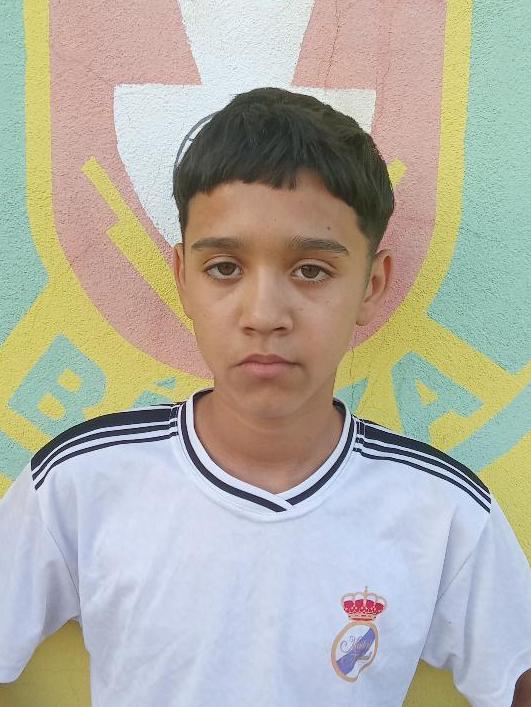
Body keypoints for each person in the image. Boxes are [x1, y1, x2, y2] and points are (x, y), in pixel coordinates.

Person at [1, 87, 530, 706]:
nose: (264, 314)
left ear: (371, 284)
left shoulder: (440, 510)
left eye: (312, 270)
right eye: (225, 268)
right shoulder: (80, 480)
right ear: (183, 279)